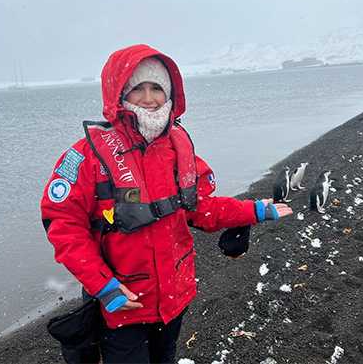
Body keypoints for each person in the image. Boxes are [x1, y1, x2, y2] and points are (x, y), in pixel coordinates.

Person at [41, 44, 292, 364]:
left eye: (157, 87)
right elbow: (63, 225)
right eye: (137, 89)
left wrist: (254, 210)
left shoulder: (178, 149)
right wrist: (103, 286)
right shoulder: (87, 157)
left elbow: (201, 207)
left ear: (171, 92)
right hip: (121, 305)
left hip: (174, 298)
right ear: (118, 94)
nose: (149, 98)